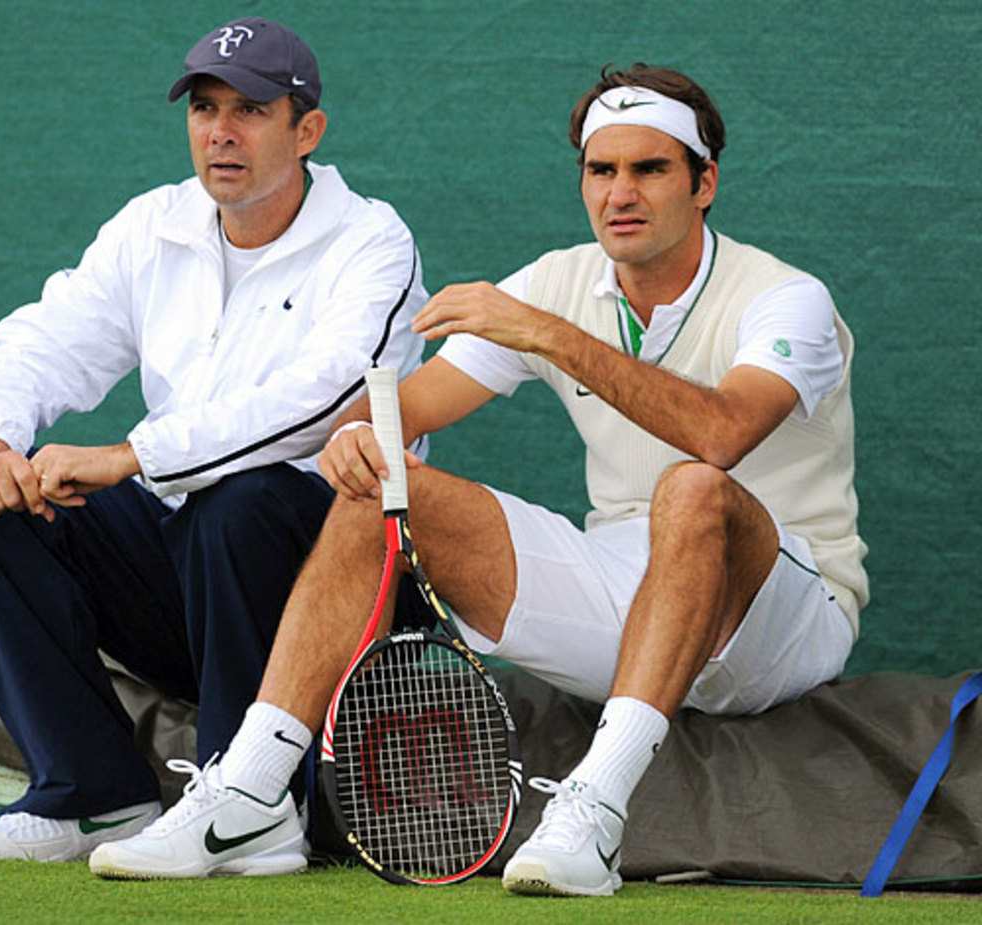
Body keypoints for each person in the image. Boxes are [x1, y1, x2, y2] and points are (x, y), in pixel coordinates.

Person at [86, 63, 867, 893]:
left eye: (650, 169)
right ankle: (252, 790)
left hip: (783, 611)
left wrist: (551, 336)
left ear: (703, 183)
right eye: (601, 171)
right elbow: (406, 408)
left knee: (693, 488)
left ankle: (594, 813)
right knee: (383, 487)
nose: (620, 193)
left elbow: (721, 433)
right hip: (625, 592)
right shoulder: (557, 283)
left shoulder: (788, 298)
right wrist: (357, 440)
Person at [0, 17, 427, 863]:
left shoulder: (372, 242)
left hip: (327, 593)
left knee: (238, 496)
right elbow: (45, 341)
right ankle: (94, 793)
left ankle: (249, 800)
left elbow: (320, 402)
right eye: (204, 108)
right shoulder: (152, 225)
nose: (220, 132)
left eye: (250, 110)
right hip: (184, 580)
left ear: (307, 130)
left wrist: (131, 457)